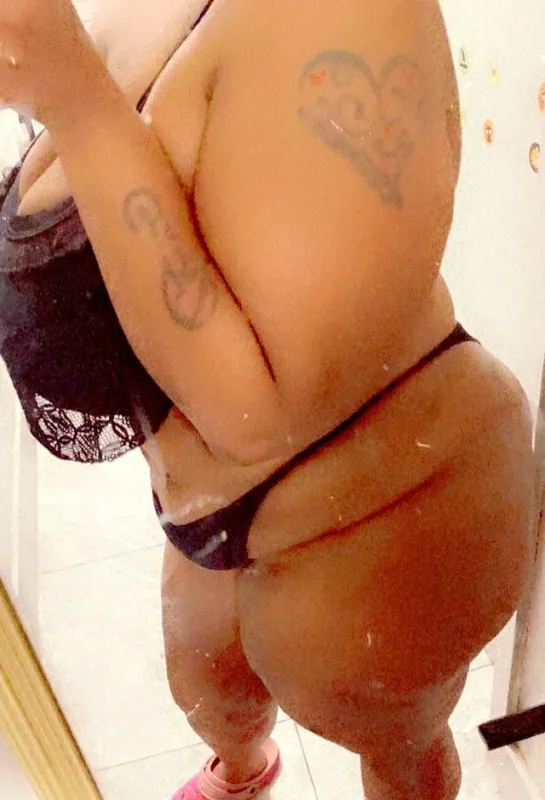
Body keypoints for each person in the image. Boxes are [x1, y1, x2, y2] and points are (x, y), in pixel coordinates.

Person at [0, 0, 535, 798]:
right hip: (209, 508)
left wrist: (75, 100)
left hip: (391, 505)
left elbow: (258, 415)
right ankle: (244, 772)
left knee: (396, 747)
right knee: (212, 698)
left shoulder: (344, 20)